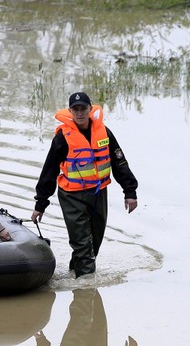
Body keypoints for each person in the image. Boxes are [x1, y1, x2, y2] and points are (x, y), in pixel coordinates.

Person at [30, 92, 138, 277]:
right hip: (72, 196)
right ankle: (86, 288)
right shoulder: (63, 138)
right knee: (82, 244)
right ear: (70, 111)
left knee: (94, 243)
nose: (80, 113)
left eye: (83, 108)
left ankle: (74, 273)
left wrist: (130, 191)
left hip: (98, 194)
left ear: (90, 109)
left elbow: (119, 162)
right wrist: (41, 204)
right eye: (75, 109)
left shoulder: (104, 132)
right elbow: (49, 171)